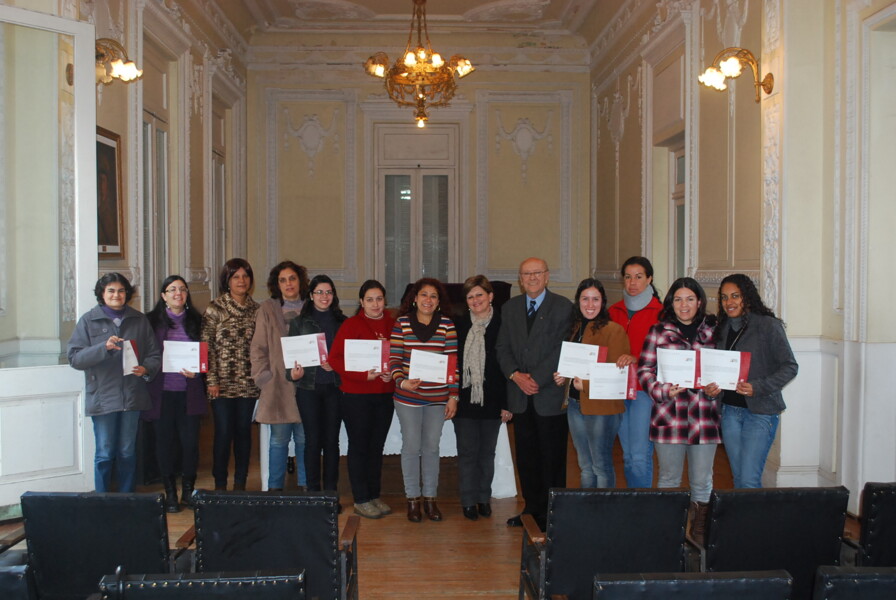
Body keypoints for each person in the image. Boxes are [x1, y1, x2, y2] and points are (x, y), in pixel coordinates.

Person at [637, 277, 721, 544]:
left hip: (704, 417)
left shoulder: (714, 331)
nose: (684, 305)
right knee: (669, 478)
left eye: (690, 299)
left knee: (702, 480)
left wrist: (717, 387)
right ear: (670, 303)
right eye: (678, 299)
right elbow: (645, 370)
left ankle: (699, 534)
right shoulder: (658, 331)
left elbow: (723, 369)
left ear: (699, 301)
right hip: (668, 415)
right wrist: (662, 390)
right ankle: (667, 535)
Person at [496, 257, 573, 529]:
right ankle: (531, 510)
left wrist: (535, 379)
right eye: (526, 274)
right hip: (519, 395)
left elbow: (562, 349)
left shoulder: (563, 307)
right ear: (520, 278)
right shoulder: (509, 308)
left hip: (549, 395)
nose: (531, 278)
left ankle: (554, 513)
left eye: (537, 273)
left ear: (547, 276)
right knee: (527, 458)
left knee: (552, 457)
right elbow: (502, 347)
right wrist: (516, 376)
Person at [68, 272, 161, 493]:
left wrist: (146, 368)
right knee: (104, 453)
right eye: (111, 290)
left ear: (127, 293)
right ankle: (102, 501)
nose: (116, 295)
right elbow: (75, 358)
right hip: (103, 398)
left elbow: (154, 354)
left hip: (132, 396)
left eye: (120, 290)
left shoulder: (139, 320)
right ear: (102, 294)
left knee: (127, 452)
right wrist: (103, 348)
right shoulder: (88, 321)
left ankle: (127, 500)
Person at [715, 273, 798, 488]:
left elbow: (790, 366)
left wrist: (757, 387)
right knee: (739, 478)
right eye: (724, 297)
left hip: (760, 412)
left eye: (735, 296)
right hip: (730, 412)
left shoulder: (768, 326)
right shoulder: (721, 328)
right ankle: (743, 522)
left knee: (749, 479)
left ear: (747, 297)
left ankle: (754, 522)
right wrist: (711, 387)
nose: (729, 302)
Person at [389, 278, 458, 522]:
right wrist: (401, 381)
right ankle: (412, 500)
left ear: (439, 302)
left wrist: (453, 396)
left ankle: (430, 499)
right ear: (415, 298)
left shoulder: (447, 326)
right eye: (424, 295)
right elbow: (394, 359)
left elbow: (452, 364)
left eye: (434, 296)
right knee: (411, 447)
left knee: (431, 448)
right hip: (408, 397)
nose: (428, 300)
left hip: (438, 398)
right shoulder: (402, 324)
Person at [552, 278, 630, 488]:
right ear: (578, 302)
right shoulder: (575, 328)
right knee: (585, 465)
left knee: (601, 465)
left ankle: (604, 516)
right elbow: (573, 365)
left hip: (602, 409)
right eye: (585, 299)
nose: (590, 304)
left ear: (603, 302)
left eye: (595, 299)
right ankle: (587, 512)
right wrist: (563, 377)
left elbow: (617, 377)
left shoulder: (614, 330)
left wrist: (585, 384)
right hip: (576, 406)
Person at [329, 280, 396, 519]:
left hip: (384, 395)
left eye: (379, 299)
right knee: (359, 447)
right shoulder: (351, 324)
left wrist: (393, 372)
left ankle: (374, 494)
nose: (375, 304)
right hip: (356, 395)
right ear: (361, 302)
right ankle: (361, 498)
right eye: (370, 300)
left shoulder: (393, 324)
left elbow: (400, 355)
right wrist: (362, 375)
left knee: (376, 448)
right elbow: (335, 359)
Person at [143, 275, 206, 511]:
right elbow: (145, 355)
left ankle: (188, 492)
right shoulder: (151, 322)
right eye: (172, 290)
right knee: (164, 444)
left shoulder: (198, 321)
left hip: (189, 393)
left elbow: (206, 355)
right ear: (163, 296)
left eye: (182, 289)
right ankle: (170, 493)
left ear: (187, 294)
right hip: (162, 394)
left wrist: (198, 371)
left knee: (190, 445)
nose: (178, 293)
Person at [454, 275, 511, 520]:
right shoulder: (458, 325)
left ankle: (483, 498)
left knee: (487, 454)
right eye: (470, 296)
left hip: (494, 400)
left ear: (490, 296)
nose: (475, 300)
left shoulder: (504, 324)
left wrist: (508, 404)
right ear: (466, 301)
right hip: (464, 399)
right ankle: (468, 500)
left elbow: (512, 364)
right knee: (467, 453)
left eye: (480, 294)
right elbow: (451, 363)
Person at [202, 258, 260, 490]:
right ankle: (219, 483)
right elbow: (206, 346)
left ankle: (240, 483)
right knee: (224, 433)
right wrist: (211, 380)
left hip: (248, 382)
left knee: (244, 433)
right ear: (227, 280)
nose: (241, 280)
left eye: (245, 276)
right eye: (236, 276)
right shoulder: (215, 307)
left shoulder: (257, 310)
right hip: (221, 383)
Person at [250, 261, 309, 491]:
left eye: (292, 278)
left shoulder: (311, 307)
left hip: (306, 386)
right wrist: (263, 377)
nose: (288, 284)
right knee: (278, 441)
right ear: (277, 284)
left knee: (305, 440)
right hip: (277, 387)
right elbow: (257, 348)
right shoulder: (267, 308)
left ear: (300, 281)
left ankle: (306, 487)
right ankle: (275, 489)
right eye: (283, 280)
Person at [286, 274, 346, 497]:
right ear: (311, 296)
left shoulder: (343, 323)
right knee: (312, 441)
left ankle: (330, 493)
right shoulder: (299, 322)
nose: (324, 296)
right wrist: (293, 373)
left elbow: (349, 358)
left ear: (333, 295)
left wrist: (337, 366)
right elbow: (289, 363)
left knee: (331, 442)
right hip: (308, 389)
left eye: (328, 292)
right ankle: (313, 493)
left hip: (334, 388)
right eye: (319, 292)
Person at [608, 256, 663, 488]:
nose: (633, 282)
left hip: (644, 392)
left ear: (649, 278)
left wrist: (636, 359)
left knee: (639, 455)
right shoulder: (613, 311)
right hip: (618, 389)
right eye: (628, 277)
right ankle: (634, 501)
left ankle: (642, 509)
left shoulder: (660, 313)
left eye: (639, 277)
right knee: (627, 454)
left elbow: (667, 355)